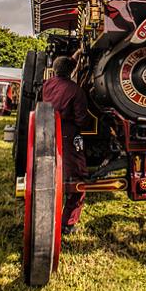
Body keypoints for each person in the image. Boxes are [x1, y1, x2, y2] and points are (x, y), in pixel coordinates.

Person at [42, 56, 88, 235]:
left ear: (55, 69)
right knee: (78, 178)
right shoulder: (76, 91)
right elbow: (82, 120)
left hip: (47, 130)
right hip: (68, 135)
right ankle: (68, 223)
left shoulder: (47, 85)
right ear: (72, 71)